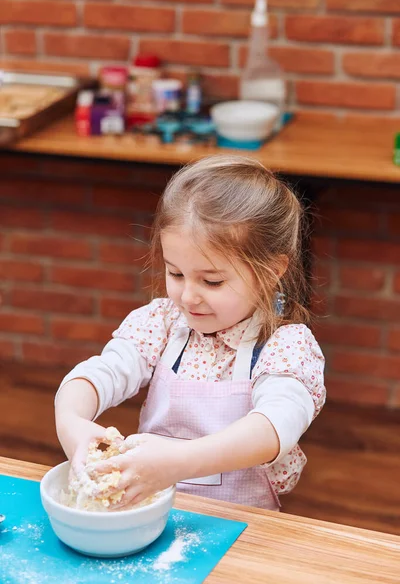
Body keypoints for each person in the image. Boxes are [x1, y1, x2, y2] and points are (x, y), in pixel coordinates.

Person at [55, 155, 325, 511]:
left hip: (243, 525)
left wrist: (178, 462)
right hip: (153, 514)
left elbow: (275, 427)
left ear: (271, 271)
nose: (187, 296)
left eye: (211, 281)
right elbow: (97, 374)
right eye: (176, 274)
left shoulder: (285, 345)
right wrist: (71, 422)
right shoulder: (163, 323)